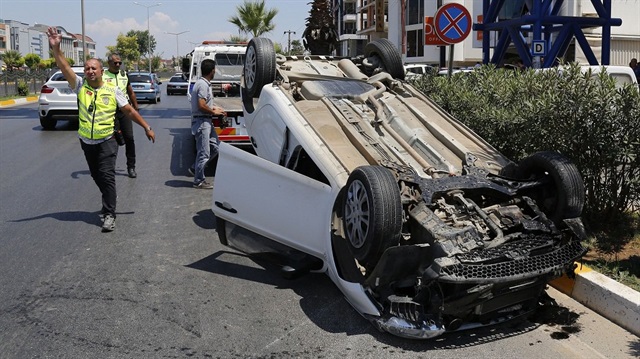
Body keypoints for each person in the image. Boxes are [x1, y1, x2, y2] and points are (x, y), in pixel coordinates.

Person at [46, 26, 155, 232]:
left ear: (101, 71)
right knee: (97, 177)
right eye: (87, 68)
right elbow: (64, 67)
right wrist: (56, 48)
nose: (90, 71)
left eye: (94, 68)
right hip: (86, 141)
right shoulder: (80, 86)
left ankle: (109, 214)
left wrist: (146, 127)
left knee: (106, 175)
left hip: (107, 140)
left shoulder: (112, 90)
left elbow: (129, 111)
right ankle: (108, 198)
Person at [190, 59, 226, 189]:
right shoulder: (203, 85)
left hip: (206, 120)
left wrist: (215, 109)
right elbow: (201, 105)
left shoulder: (204, 83)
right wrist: (214, 112)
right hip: (202, 121)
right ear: (212, 71)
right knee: (204, 153)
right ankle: (198, 181)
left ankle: (196, 168)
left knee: (216, 148)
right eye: (215, 70)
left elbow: (206, 103)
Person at [103, 53, 140, 178]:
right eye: (115, 63)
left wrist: (136, 108)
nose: (118, 65)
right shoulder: (103, 75)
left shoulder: (124, 75)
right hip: (109, 111)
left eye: (120, 62)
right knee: (111, 140)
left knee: (129, 138)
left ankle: (131, 167)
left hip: (124, 110)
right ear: (109, 63)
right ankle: (109, 167)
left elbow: (130, 92)